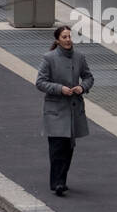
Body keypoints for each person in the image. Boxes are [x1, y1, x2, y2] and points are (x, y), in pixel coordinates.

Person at [36, 26, 93, 196]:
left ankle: (62, 179)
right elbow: (40, 82)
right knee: (57, 148)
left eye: (69, 36)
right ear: (57, 40)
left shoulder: (79, 57)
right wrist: (60, 89)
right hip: (55, 110)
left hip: (73, 110)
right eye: (64, 36)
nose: (68, 39)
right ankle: (57, 183)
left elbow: (89, 77)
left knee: (68, 148)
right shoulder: (49, 58)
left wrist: (81, 88)